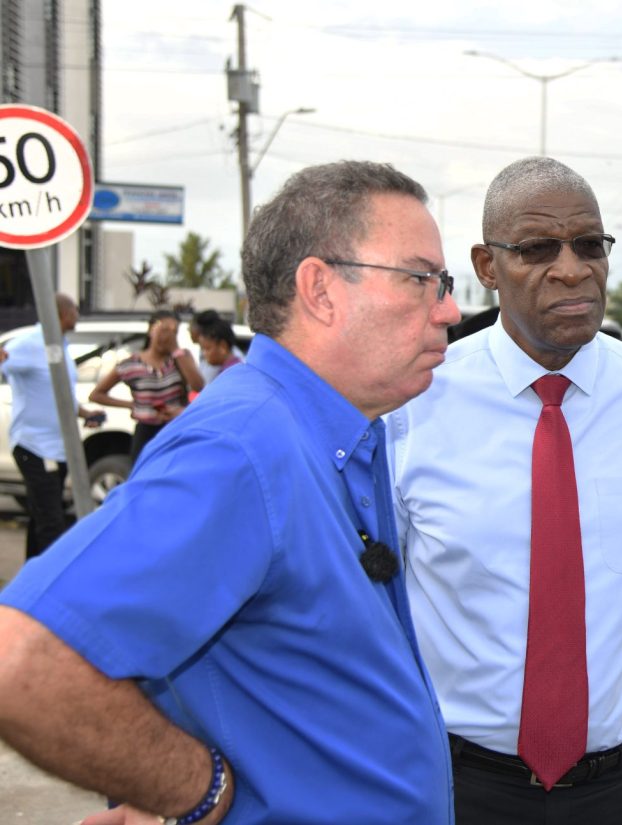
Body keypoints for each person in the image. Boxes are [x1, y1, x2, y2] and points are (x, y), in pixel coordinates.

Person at [0, 160, 461, 824]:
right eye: (422, 279)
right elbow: (25, 663)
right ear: (321, 290)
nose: (447, 307)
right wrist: (196, 788)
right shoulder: (242, 450)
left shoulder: (335, 430)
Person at [388, 156, 622, 825]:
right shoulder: (415, 401)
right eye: (537, 248)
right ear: (486, 265)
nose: (571, 267)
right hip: (452, 786)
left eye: (590, 245)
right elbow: (366, 594)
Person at [0, 294, 104, 558]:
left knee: (42, 515)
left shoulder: (59, 346)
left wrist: (83, 412)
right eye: (75, 310)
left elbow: (60, 393)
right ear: (62, 313)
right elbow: (5, 360)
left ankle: (28, 580)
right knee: (52, 522)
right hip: (33, 445)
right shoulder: (29, 343)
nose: (78, 314)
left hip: (58, 447)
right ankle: (48, 587)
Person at [89, 310, 205, 463]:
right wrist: (132, 405)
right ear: (151, 330)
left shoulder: (181, 357)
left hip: (175, 427)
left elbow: (198, 385)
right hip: (146, 430)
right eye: (164, 330)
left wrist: (175, 349)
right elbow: (96, 394)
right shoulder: (131, 364)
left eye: (174, 332)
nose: (168, 336)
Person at [189, 310, 246, 386]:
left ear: (223, 346)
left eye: (207, 349)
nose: (205, 354)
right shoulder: (225, 370)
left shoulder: (232, 372)